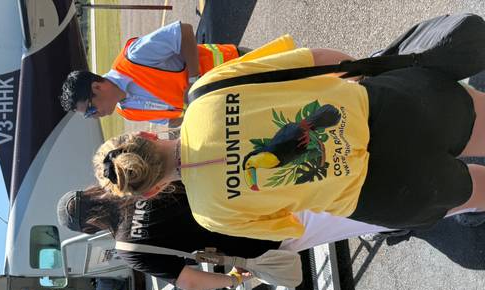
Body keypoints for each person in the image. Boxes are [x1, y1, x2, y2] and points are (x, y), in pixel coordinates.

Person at [92, 46, 485, 244]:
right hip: (390, 108)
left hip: (386, 192)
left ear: (155, 188)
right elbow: (318, 60)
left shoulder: (212, 216)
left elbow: (293, 223)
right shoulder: (205, 92)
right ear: (146, 135)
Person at [57, 185, 391, 290]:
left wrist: (231, 281)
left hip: (256, 240)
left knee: (353, 215)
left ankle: (415, 208)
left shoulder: (129, 248)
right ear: (90, 190)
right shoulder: (136, 182)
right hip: (256, 191)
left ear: (89, 229)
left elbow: (187, 280)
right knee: (341, 189)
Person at [60, 23, 334, 126]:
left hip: (238, 64)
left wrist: (193, 82)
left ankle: (361, 68)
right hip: (235, 100)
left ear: (97, 88)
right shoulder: (127, 111)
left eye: (90, 110)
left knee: (305, 69)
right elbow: (174, 115)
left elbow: (184, 31)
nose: (94, 116)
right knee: (300, 99)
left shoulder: (135, 57)